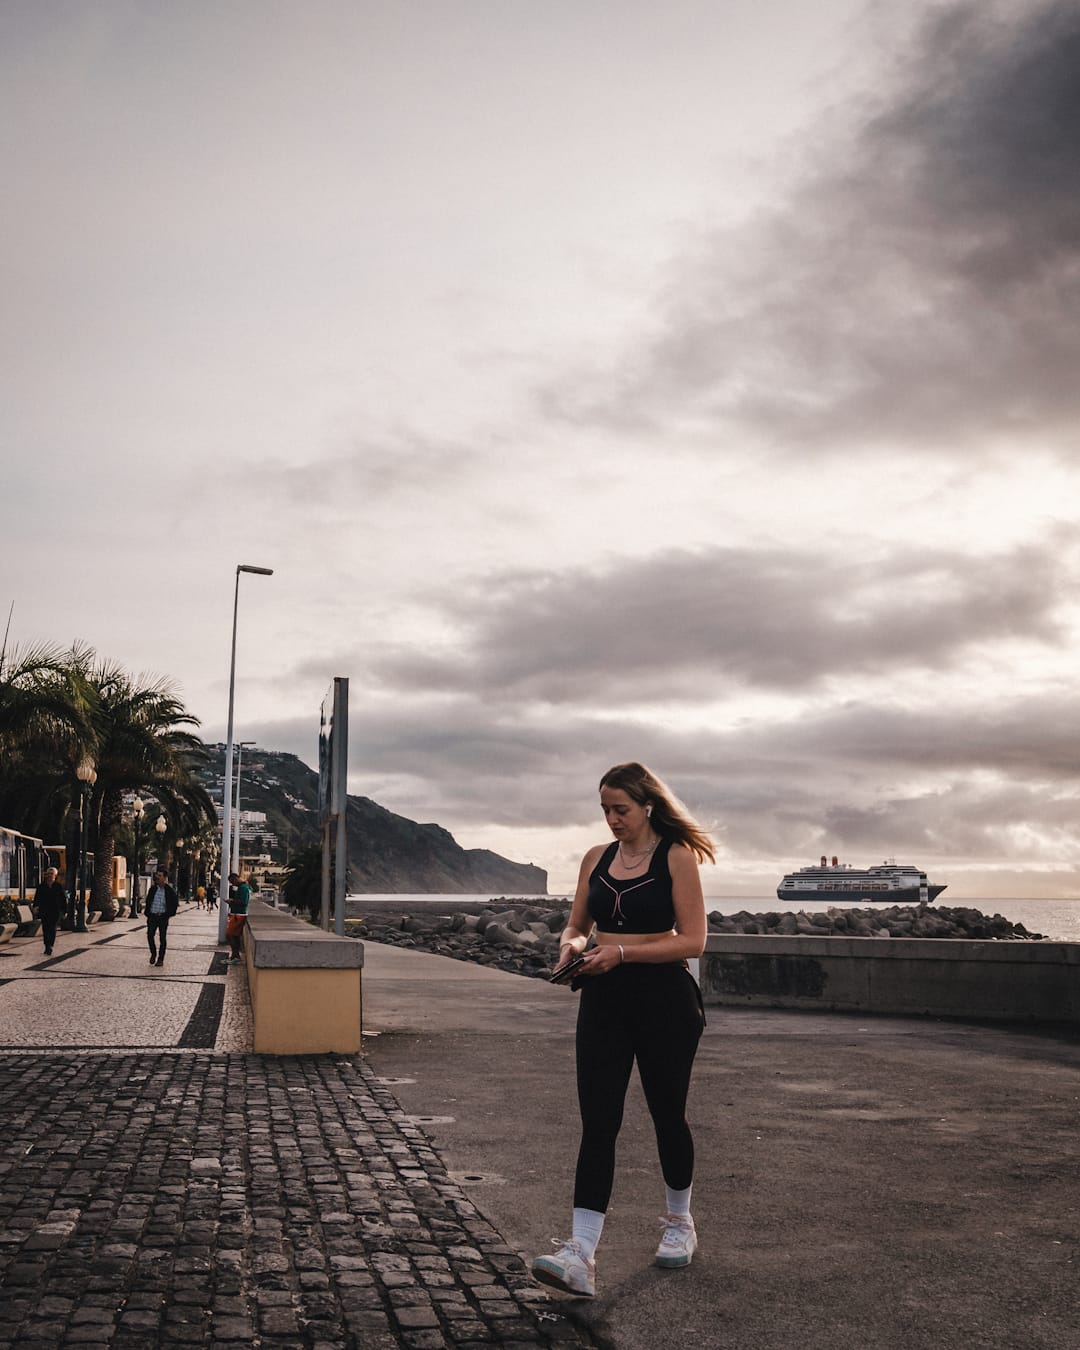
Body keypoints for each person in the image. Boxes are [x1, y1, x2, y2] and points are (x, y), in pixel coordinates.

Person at [530, 762, 714, 1299]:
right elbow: (577, 924)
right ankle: (580, 1254)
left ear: (647, 805)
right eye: (605, 810)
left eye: (621, 809)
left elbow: (693, 940)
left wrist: (623, 954)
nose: (612, 819)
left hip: (665, 1000)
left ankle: (680, 1223)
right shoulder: (596, 858)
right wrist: (571, 946)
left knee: (667, 1114)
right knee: (598, 1121)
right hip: (603, 998)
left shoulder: (676, 857)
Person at [145, 868, 179, 967]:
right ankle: (153, 953)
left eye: (160, 875)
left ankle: (160, 959)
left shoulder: (170, 891)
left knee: (162, 938)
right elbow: (148, 901)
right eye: (157, 875)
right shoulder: (153, 889)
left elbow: (174, 904)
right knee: (150, 936)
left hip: (163, 917)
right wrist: (148, 913)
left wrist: (167, 915)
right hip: (152, 916)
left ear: (165, 878)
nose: (157, 877)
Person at [33, 866, 67, 957]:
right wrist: (35, 906)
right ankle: (47, 945)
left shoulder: (58, 886)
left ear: (55, 875)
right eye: (48, 874)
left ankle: (50, 945)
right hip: (44, 910)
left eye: (51, 874)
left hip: (55, 911)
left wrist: (64, 911)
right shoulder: (41, 886)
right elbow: (37, 897)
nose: (49, 875)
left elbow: (63, 899)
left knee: (52, 928)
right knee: (45, 928)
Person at [226, 871, 250, 962]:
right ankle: (234, 956)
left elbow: (244, 902)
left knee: (230, 935)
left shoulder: (243, 888)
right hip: (237, 914)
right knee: (234, 936)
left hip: (239, 915)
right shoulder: (242, 887)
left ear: (236, 879)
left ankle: (235, 956)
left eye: (232, 882)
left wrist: (232, 901)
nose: (233, 884)